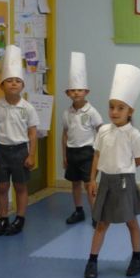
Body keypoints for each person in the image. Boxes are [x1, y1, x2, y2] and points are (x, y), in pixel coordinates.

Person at [84, 64, 140, 278]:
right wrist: (92, 179)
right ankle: (92, 260)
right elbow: (97, 155)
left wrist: (123, 169)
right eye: (112, 107)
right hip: (105, 181)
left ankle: (137, 257)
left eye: (121, 108)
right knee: (102, 223)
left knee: (131, 221)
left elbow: (139, 159)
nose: (114, 112)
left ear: (130, 111)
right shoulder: (103, 130)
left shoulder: (134, 134)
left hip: (125, 181)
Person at [0, 45, 39, 237]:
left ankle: (20, 218)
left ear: (23, 86)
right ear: (2, 85)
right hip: (0, 151)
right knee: (2, 186)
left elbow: (32, 134)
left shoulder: (28, 108)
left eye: (17, 81)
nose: (14, 84)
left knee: (20, 186)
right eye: (9, 81)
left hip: (20, 151)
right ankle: (3, 219)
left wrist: (31, 155)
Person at [62, 52, 103, 225]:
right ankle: (78, 210)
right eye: (73, 90)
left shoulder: (91, 111)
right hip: (72, 151)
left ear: (86, 92)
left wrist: (99, 152)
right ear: (68, 93)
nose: (76, 93)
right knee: (75, 183)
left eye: (79, 90)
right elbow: (65, 134)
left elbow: (101, 130)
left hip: (88, 152)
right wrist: (64, 155)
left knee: (89, 184)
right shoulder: (67, 113)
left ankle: (96, 214)